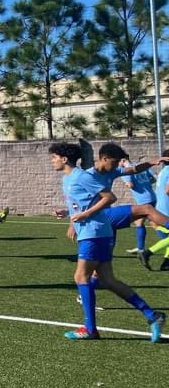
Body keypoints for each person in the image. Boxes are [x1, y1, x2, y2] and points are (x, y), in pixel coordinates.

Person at [49, 142, 164, 342]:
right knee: (108, 280)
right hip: (96, 232)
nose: (52, 161)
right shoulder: (68, 179)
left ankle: (90, 329)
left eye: (54, 157)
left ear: (64, 159)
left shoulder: (82, 176)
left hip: (93, 232)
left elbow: (109, 198)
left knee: (81, 277)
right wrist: (68, 213)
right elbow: (86, 202)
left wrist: (85, 215)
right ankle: (153, 316)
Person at [120, 157, 157, 260]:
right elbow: (153, 179)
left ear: (123, 160)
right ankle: (140, 248)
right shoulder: (140, 166)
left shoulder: (126, 171)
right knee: (139, 222)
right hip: (152, 196)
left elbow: (130, 185)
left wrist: (128, 182)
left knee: (155, 224)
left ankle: (142, 248)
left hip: (143, 200)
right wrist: (144, 184)